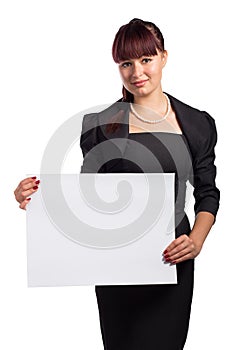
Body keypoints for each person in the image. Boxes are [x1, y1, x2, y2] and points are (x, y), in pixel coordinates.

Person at [14, 18, 220, 350]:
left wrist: (196, 240)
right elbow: (86, 198)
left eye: (146, 59)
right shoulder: (99, 125)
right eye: (126, 63)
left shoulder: (196, 123)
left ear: (164, 57)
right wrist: (35, 201)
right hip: (116, 265)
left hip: (171, 262)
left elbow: (208, 193)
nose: (137, 71)